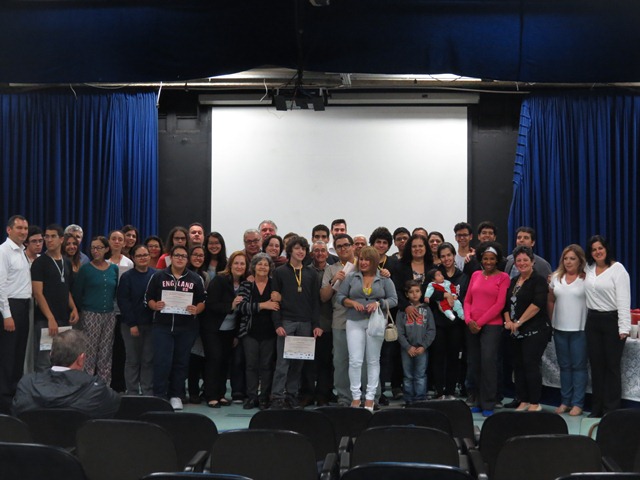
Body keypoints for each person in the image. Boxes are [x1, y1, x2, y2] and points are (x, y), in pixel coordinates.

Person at [336, 246, 398, 411]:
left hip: (375, 322)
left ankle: (370, 398)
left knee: (373, 360)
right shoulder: (351, 277)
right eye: (361, 259)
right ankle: (356, 397)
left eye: (367, 260)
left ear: (374, 261)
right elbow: (340, 297)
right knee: (355, 361)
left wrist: (379, 303)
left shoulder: (384, 279)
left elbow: (393, 299)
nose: (363, 262)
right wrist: (352, 302)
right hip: (354, 321)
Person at [145, 245, 206, 410]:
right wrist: (155, 305)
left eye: (184, 256)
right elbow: (148, 298)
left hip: (186, 328)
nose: (180, 258)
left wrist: (196, 309)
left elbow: (202, 301)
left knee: (181, 362)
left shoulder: (195, 278)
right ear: (170, 257)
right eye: (177, 255)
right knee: (162, 362)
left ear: (187, 259)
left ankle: (176, 395)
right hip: (162, 327)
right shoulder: (158, 276)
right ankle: (159, 395)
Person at [12, 330, 120, 418]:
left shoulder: (26, 385)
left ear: (50, 355)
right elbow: (115, 408)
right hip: (80, 443)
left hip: (37, 442)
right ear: (81, 359)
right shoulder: (96, 390)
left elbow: (17, 412)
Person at [270, 236, 323, 409]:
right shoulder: (280, 272)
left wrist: (316, 325)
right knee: (282, 363)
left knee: (298, 363)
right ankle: (277, 396)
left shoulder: (311, 273)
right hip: (286, 321)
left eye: (303, 249)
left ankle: (292, 395)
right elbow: (274, 301)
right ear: (290, 250)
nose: (301, 251)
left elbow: (315, 301)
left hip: (306, 323)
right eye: (297, 248)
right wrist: (277, 324)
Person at [583, 235, 630, 418]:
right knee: (596, 366)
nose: (597, 252)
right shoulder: (589, 269)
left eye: (600, 248)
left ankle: (611, 410)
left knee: (611, 367)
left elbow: (624, 300)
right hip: (593, 321)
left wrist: (623, 328)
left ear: (606, 249)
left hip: (612, 321)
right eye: (594, 249)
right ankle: (597, 408)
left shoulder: (618, 270)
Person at [503, 245, 551, 412]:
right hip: (515, 332)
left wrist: (519, 322)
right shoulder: (513, 281)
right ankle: (523, 399)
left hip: (535, 330)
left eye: (525, 260)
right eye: (518, 261)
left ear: (532, 261)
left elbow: (537, 304)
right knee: (518, 366)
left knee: (531, 364)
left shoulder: (538, 280)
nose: (522, 263)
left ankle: (534, 402)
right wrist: (508, 321)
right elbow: (505, 304)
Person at [463, 242, 510, 416]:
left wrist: (479, 323)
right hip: (472, 325)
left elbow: (499, 305)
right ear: (481, 259)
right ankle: (476, 399)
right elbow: (467, 300)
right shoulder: (475, 274)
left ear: (497, 260)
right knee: (474, 363)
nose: (489, 262)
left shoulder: (503, 277)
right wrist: (469, 320)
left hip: (491, 326)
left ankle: (489, 402)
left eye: (492, 259)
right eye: (485, 259)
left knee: (488, 363)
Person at [201, 250, 248, 408]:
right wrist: (231, 305)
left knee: (224, 362)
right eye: (236, 263)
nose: (239, 266)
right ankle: (211, 395)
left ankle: (220, 394)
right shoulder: (220, 280)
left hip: (230, 330)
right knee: (214, 360)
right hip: (213, 329)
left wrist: (236, 334)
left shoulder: (244, 284)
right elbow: (211, 304)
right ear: (230, 264)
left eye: (242, 263)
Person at [31, 224, 79, 372]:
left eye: (53, 236)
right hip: (45, 319)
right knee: (44, 359)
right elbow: (38, 293)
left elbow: (66, 289)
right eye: (47, 236)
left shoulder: (66, 262)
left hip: (63, 318)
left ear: (61, 239)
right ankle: (42, 393)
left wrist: (74, 308)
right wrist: (50, 318)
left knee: (62, 359)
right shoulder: (40, 263)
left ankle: (59, 392)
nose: (49, 240)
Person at [72, 236, 119, 384]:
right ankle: (86, 384)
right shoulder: (86, 269)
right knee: (89, 351)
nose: (95, 251)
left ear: (106, 249)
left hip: (109, 314)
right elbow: (77, 293)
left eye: (99, 247)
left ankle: (104, 386)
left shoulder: (113, 268)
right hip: (90, 314)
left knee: (106, 351)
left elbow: (115, 291)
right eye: (93, 248)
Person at [547, 244, 588, 416]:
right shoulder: (556, 278)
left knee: (578, 366)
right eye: (566, 258)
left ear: (580, 261)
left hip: (580, 329)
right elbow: (551, 300)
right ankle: (565, 401)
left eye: (573, 258)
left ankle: (577, 403)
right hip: (560, 328)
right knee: (564, 366)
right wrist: (552, 320)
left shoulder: (586, 279)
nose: (569, 262)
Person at [238, 253, 279, 410]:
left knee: (267, 366)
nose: (263, 267)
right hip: (250, 332)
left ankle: (264, 398)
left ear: (270, 268)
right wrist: (263, 305)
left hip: (270, 332)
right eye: (260, 264)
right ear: (253, 267)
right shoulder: (246, 285)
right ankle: (251, 397)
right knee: (251, 366)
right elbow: (241, 307)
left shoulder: (275, 284)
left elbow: (279, 305)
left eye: (266, 264)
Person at [321, 233, 357, 407]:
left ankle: (364, 395)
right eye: (339, 246)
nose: (343, 249)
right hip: (340, 319)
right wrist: (333, 281)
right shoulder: (331, 268)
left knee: (361, 360)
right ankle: (344, 397)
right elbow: (323, 297)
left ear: (353, 246)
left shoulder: (363, 264)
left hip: (361, 319)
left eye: (346, 245)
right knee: (340, 360)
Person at [0, 215, 32, 413]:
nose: (23, 231)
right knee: (8, 355)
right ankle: (4, 400)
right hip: (10, 307)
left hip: (22, 306)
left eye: (26, 228)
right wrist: (7, 315)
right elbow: (1, 286)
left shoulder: (21, 251)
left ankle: (14, 393)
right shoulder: (3, 251)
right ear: (9, 230)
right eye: (19, 227)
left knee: (19, 353)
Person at [430, 242, 468, 399]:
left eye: (449, 255)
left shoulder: (463, 276)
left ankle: (451, 391)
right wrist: (443, 296)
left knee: (454, 357)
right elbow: (429, 294)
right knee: (438, 357)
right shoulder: (435, 275)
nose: (446, 259)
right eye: (443, 256)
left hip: (456, 324)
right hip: (439, 322)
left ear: (454, 256)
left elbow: (466, 297)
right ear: (439, 258)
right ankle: (439, 391)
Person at [117, 244, 155, 395]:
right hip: (131, 326)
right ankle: (132, 392)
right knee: (133, 360)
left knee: (148, 360)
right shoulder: (127, 277)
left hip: (151, 325)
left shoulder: (156, 274)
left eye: (145, 255)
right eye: (139, 256)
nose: (143, 258)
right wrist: (132, 324)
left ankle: (147, 392)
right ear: (133, 258)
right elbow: (123, 302)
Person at [396, 280, 435, 405]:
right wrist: (407, 347)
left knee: (420, 375)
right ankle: (408, 400)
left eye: (417, 291)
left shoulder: (427, 310)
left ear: (421, 293)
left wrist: (424, 346)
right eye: (411, 292)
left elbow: (431, 330)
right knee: (408, 376)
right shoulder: (402, 312)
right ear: (406, 294)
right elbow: (399, 331)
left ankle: (420, 399)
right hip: (406, 349)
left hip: (422, 349)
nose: (414, 294)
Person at [187, 244, 210, 403]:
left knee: (197, 356)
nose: (198, 258)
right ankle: (186, 390)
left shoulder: (205, 276)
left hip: (200, 321)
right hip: (182, 322)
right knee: (185, 358)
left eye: (201, 255)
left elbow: (205, 299)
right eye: (195, 255)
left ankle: (196, 391)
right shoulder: (182, 273)